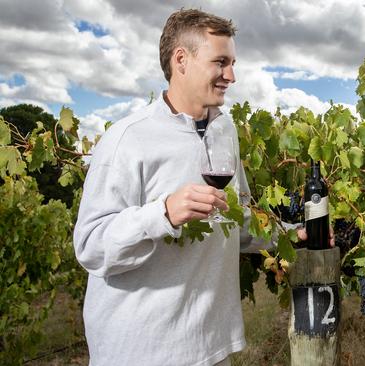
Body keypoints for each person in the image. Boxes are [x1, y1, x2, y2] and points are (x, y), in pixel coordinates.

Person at [74, 9, 313, 366]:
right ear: (181, 60)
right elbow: (91, 247)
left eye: (232, 63)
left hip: (210, 347)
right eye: (221, 62)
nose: (231, 75)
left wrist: (290, 236)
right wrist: (163, 213)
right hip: (140, 351)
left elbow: (235, 220)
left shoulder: (224, 130)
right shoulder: (127, 139)